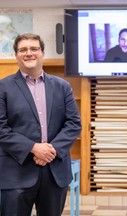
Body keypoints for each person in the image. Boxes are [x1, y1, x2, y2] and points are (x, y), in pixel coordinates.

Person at [0, 33, 82, 216]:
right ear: (16, 55)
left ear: (42, 52)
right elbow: (1, 129)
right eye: (23, 49)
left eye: (34, 48)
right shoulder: (3, 87)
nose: (29, 53)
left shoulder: (62, 86)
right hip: (16, 174)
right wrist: (34, 148)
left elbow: (73, 124)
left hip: (54, 173)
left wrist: (49, 150)